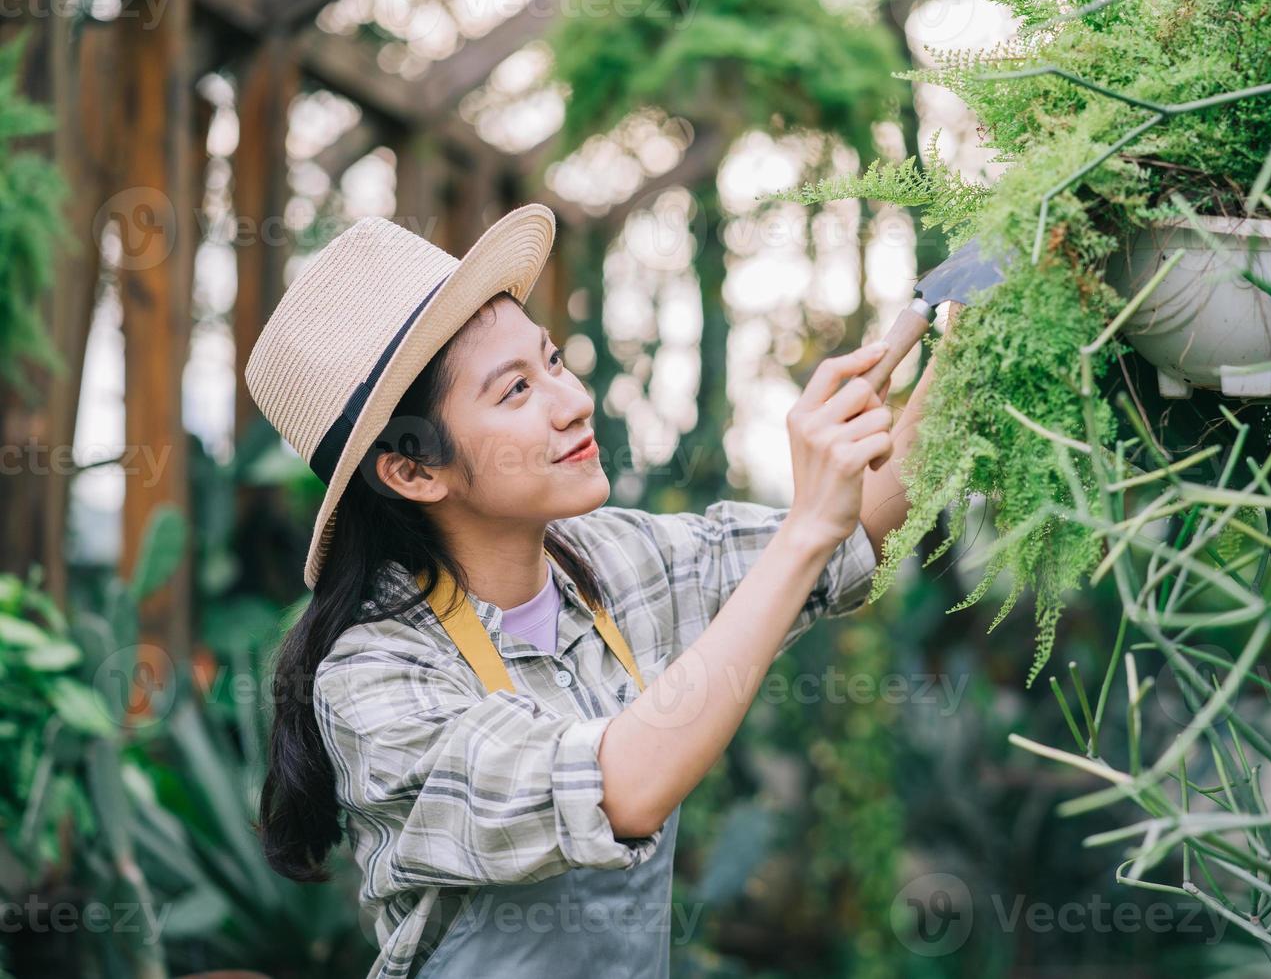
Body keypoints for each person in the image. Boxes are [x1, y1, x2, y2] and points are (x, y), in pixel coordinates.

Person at [245, 204, 935, 978]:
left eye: (551, 361)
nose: (571, 401)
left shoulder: (615, 558)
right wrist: (806, 528)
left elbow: (857, 535)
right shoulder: (375, 680)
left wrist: (980, 319)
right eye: (513, 391)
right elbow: (619, 791)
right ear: (413, 468)